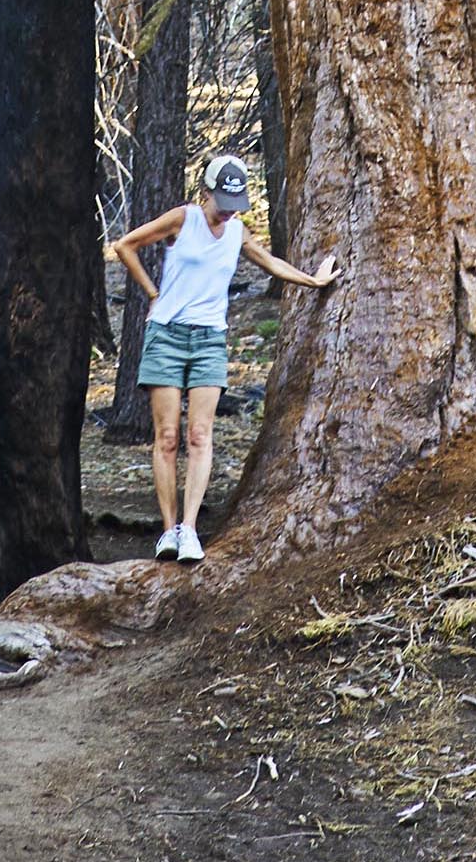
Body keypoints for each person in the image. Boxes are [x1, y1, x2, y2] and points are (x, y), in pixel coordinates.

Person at [108, 150, 336, 563]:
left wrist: (313, 281)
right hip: (167, 336)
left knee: (199, 435)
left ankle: (190, 531)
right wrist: (154, 294)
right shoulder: (184, 218)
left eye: (236, 207)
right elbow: (125, 246)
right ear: (205, 193)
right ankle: (167, 533)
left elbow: (269, 262)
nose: (228, 214)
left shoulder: (237, 232)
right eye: (223, 205)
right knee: (167, 438)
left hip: (210, 339)